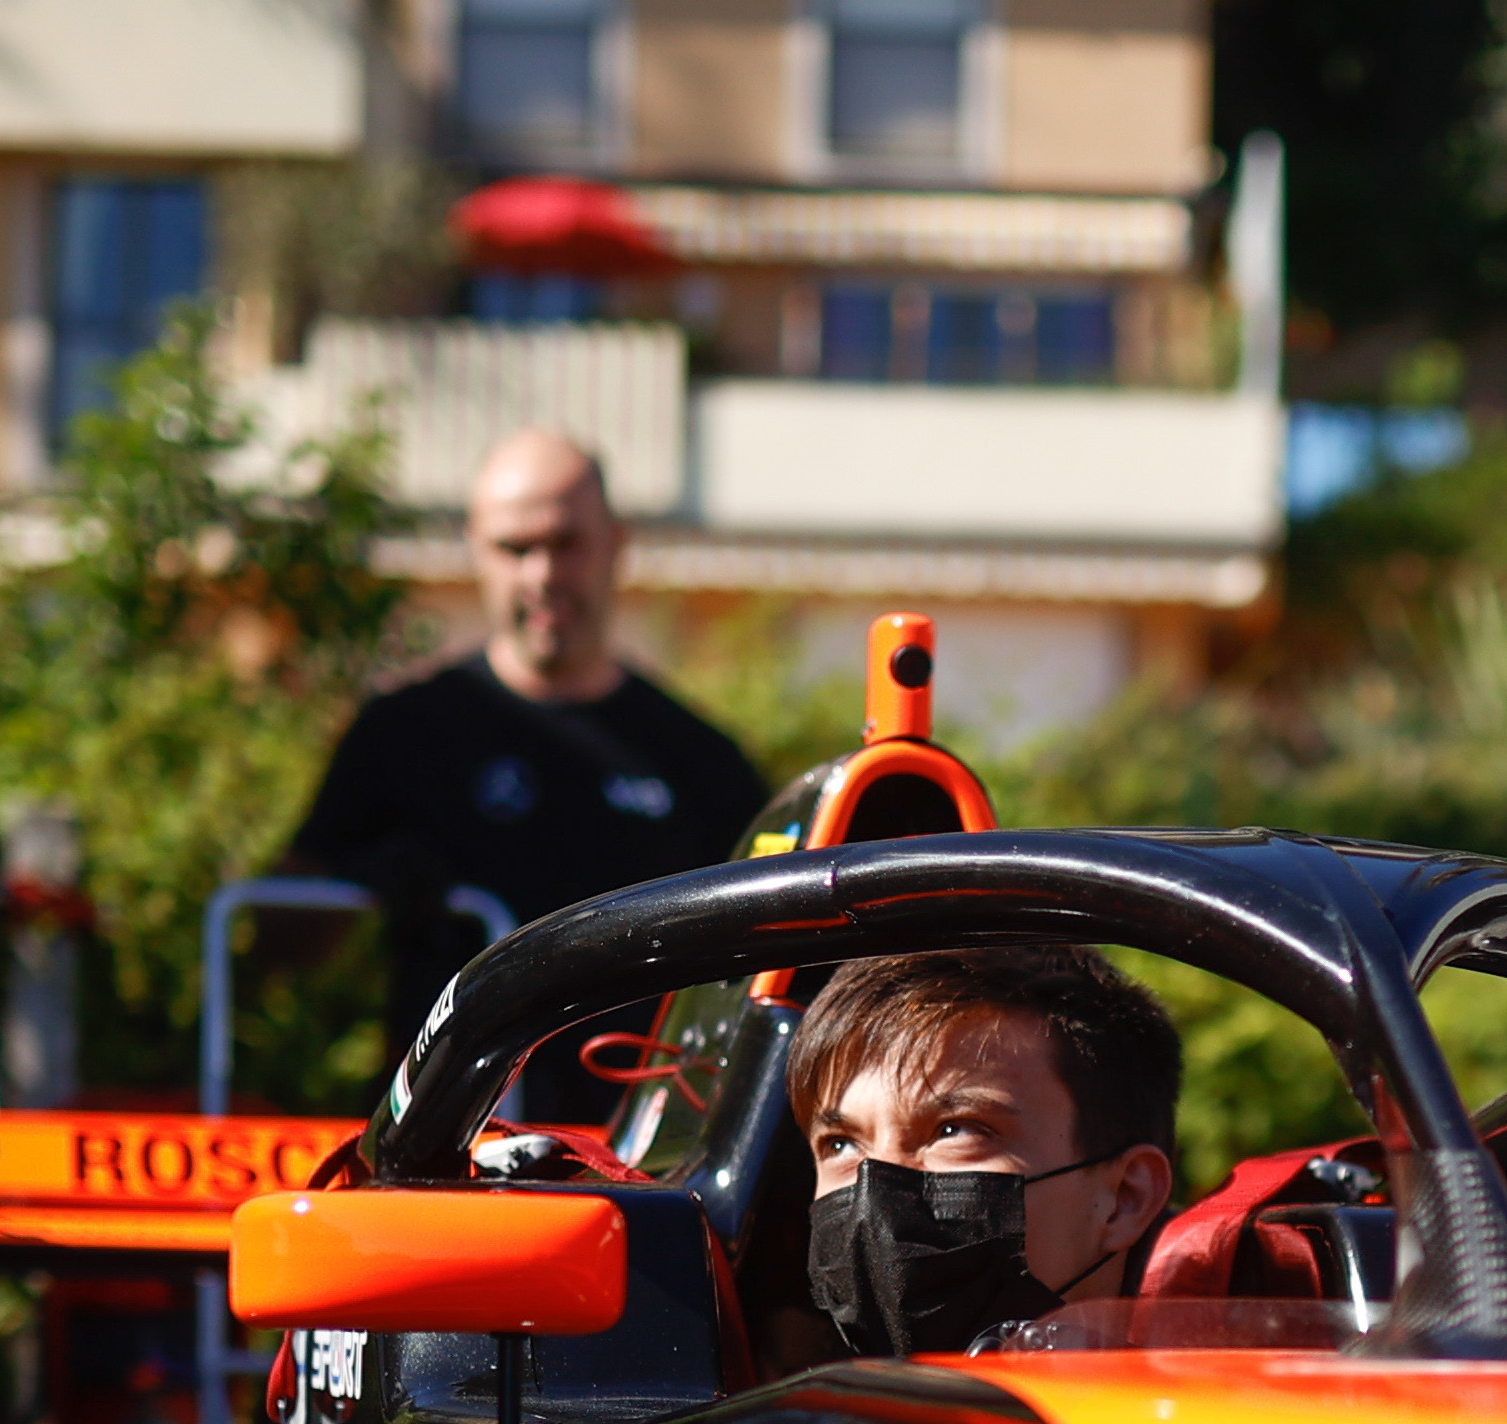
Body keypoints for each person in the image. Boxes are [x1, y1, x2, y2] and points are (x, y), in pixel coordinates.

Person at [272, 427, 756, 1122]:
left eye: (566, 543)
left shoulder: (701, 761)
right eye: (514, 548)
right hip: (444, 1157)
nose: (542, 574)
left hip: (637, 1169)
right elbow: (275, 946)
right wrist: (364, 881)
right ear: (474, 548)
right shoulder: (406, 732)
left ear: (617, 543)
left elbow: (765, 978)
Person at [790, 949, 1184, 1358]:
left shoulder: (1215, 1415)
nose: (876, 1192)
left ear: (1123, 1199)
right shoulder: (777, 1414)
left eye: (953, 1130)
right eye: (841, 1143)